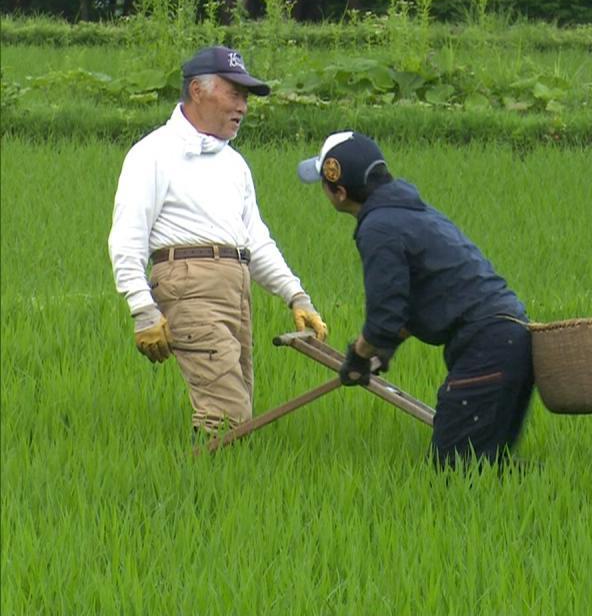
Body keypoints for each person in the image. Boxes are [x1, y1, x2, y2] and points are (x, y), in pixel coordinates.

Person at [108, 45, 329, 438]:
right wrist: (142, 309)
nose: (242, 106)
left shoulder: (233, 164)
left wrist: (296, 296)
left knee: (239, 405)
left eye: (245, 97)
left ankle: (215, 484)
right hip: (188, 284)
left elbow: (256, 241)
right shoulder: (153, 154)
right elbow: (127, 237)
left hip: (235, 287)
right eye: (234, 94)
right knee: (226, 414)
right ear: (197, 90)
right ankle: (197, 490)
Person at [297, 131, 534, 468]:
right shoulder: (409, 210)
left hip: (487, 345)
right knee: (487, 464)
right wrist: (386, 347)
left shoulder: (379, 227)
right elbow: (422, 298)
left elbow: (384, 318)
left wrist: (360, 356)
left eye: (323, 185)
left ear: (339, 191)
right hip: (510, 340)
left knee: (454, 469)